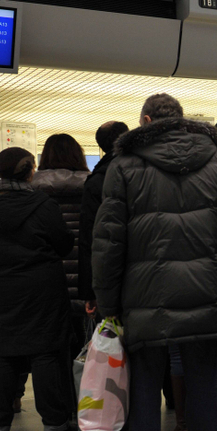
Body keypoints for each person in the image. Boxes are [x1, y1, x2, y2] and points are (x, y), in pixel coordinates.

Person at [92, 93, 217, 431]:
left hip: (144, 295)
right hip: (206, 289)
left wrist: (108, 302)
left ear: (146, 121)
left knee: (145, 386)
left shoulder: (124, 166)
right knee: (203, 383)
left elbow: (109, 242)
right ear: (182, 120)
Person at [0, 147, 77, 431]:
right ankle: (54, 423)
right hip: (41, 285)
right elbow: (63, 244)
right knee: (45, 350)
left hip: (1, 286)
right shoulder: (42, 204)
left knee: (5, 351)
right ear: (30, 171)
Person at [32, 134, 91, 357]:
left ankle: (59, 390)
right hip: (85, 271)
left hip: (49, 272)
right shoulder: (92, 185)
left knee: (53, 349)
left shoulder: (34, 188)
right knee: (86, 346)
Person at [78, 121, 129, 319]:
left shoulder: (97, 180)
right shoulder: (146, 169)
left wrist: (90, 292)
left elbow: (89, 239)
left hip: (114, 274)